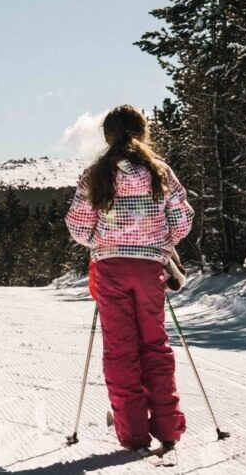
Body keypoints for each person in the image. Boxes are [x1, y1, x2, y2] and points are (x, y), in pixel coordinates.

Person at [65, 104, 191, 455]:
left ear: (107, 137)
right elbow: (182, 221)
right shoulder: (160, 172)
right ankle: (168, 427)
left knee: (121, 350)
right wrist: (161, 245)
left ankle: (133, 434)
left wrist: (100, 243)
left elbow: (77, 225)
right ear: (144, 132)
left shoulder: (96, 174)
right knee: (154, 345)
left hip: (110, 269)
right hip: (149, 268)